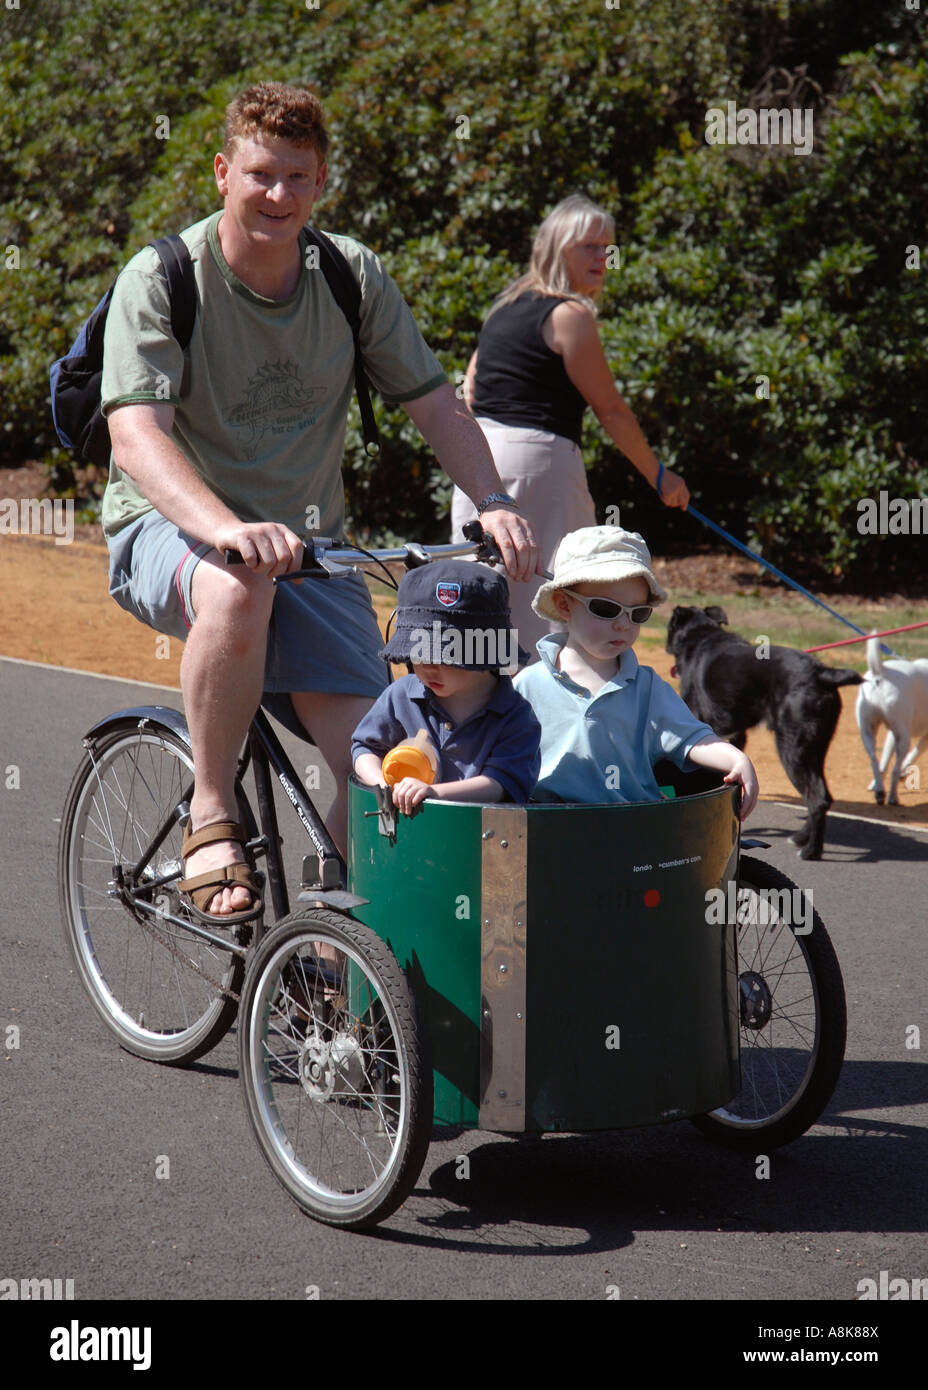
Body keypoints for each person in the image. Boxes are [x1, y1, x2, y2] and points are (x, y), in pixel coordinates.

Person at [100, 81, 537, 921]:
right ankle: (210, 813)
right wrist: (225, 528)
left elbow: (436, 402)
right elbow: (137, 437)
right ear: (223, 171)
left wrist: (493, 497)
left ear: (321, 182)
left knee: (389, 766)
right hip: (171, 530)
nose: (278, 195)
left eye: (298, 178)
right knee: (237, 586)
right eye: (261, 174)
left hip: (312, 553)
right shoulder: (161, 277)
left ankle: (327, 939)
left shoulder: (348, 274)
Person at [451, 193, 690, 654]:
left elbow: (473, 389)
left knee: (480, 596)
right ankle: (548, 714)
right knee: (561, 591)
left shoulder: (502, 310)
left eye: (608, 247)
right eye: (590, 246)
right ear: (558, 247)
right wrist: (659, 477)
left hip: (477, 457)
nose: (604, 257)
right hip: (542, 460)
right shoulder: (570, 314)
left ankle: (476, 710)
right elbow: (611, 410)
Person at [513, 526, 759, 817]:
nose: (623, 625)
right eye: (605, 609)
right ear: (564, 605)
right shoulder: (527, 687)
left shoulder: (648, 689)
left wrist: (735, 757)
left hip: (632, 831)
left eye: (637, 613)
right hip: (547, 830)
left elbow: (692, 738)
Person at [352, 560, 541, 816]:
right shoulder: (401, 695)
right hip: (406, 836)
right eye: (417, 652)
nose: (428, 667)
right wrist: (381, 784)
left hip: (480, 841)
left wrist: (434, 794)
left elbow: (500, 784)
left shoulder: (515, 716)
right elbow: (364, 748)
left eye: (444, 655)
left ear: (484, 652)